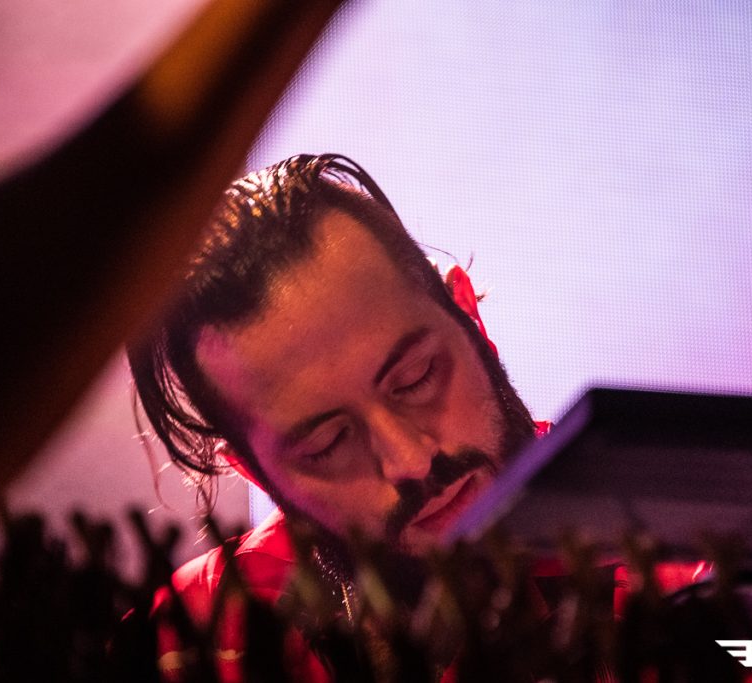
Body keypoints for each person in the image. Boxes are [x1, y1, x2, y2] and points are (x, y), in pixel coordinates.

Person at [127, 153, 553, 680]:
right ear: (253, 472)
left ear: (467, 311)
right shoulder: (192, 643)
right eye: (329, 444)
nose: (412, 461)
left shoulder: (655, 536)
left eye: (416, 378)